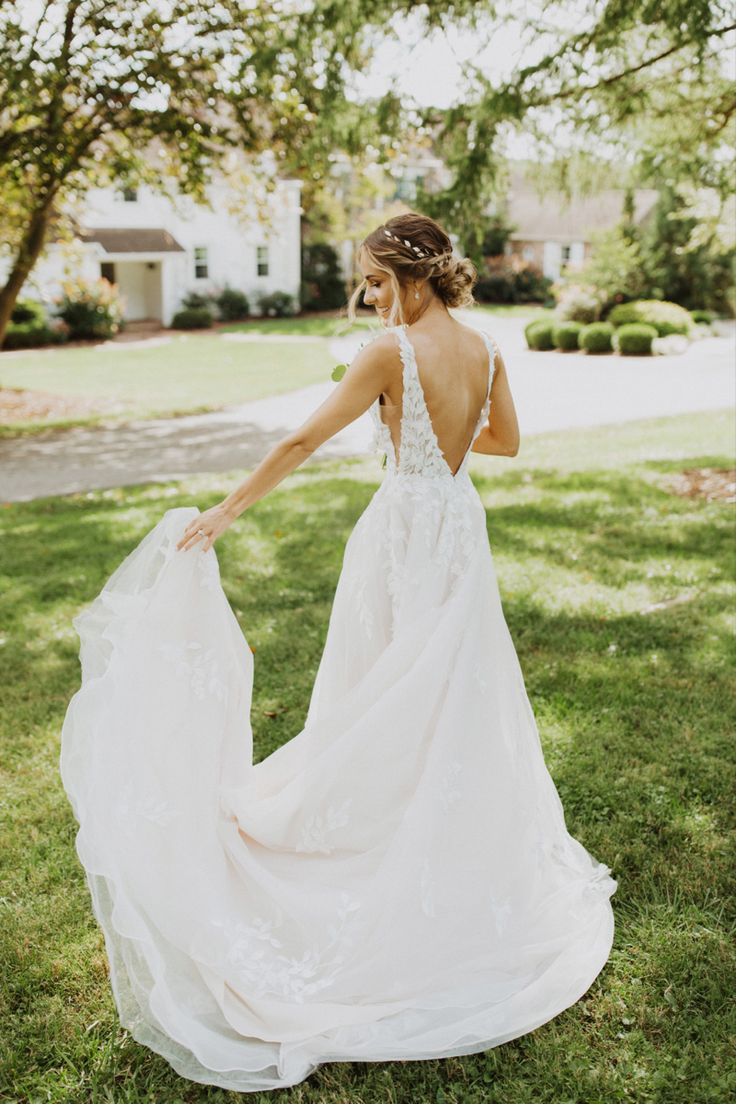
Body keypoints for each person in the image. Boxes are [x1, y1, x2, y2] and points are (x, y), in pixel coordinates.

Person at [60, 212, 617, 1094]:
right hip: (458, 530)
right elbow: (505, 442)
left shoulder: (387, 352)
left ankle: (370, 825)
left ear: (409, 279)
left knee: (379, 685)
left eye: (372, 279)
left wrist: (226, 512)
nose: (366, 295)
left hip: (401, 528)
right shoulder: (487, 347)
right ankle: (430, 820)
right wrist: (445, 438)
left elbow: (302, 440)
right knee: (441, 689)